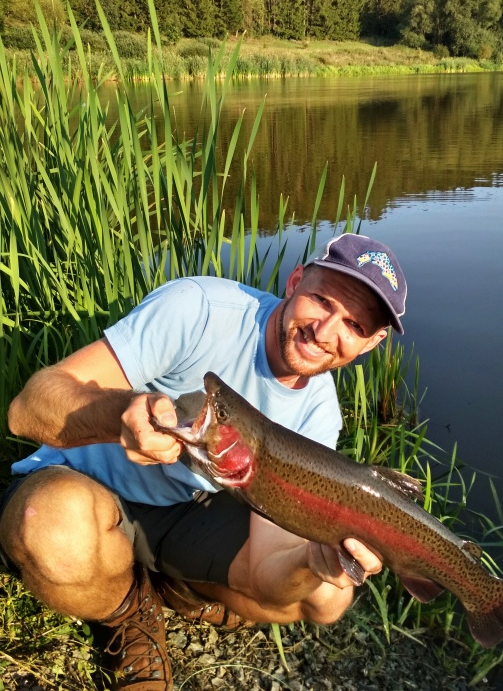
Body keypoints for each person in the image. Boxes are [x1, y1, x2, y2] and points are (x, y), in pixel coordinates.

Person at [0, 232, 407, 691]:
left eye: (353, 325)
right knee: (47, 527)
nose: (326, 331)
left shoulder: (319, 416)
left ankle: (179, 585)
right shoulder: (200, 310)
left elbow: (267, 562)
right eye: (322, 300)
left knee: (328, 597)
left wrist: (315, 559)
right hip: (84, 481)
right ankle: (126, 614)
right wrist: (120, 413)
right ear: (295, 282)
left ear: (370, 344)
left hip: (187, 506)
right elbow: (27, 409)